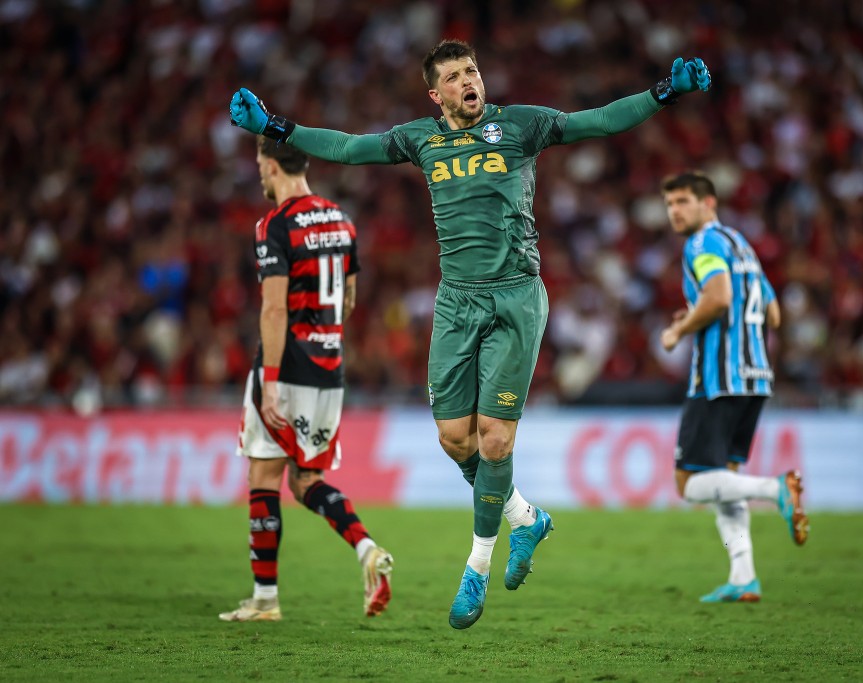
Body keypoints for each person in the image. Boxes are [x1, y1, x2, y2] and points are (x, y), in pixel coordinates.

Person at [229, 39, 711, 629]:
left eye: (472, 71)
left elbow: (600, 121)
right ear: (436, 95)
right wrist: (276, 126)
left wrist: (665, 92)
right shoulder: (421, 139)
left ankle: (477, 566)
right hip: (457, 301)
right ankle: (524, 517)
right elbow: (350, 148)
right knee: (455, 439)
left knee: (495, 440)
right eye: (455, 76)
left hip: (515, 296)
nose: (468, 81)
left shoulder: (522, 126)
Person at [219, 137, 393, 623]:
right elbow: (349, 299)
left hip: (288, 365)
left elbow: (274, 309)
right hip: (329, 370)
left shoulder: (274, 225)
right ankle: (367, 549)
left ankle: (265, 599)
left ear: (273, 165)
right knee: (306, 480)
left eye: (260, 162)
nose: (259, 171)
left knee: (263, 477)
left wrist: (271, 381)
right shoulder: (341, 219)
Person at [658, 172, 808, 603]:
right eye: (670, 204)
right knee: (724, 479)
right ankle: (743, 576)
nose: (675, 211)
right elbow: (773, 314)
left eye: (683, 201)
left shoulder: (702, 243)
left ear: (709, 203)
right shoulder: (741, 244)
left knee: (689, 483)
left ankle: (776, 490)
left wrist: (680, 329)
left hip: (718, 378)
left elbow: (719, 296)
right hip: (755, 375)